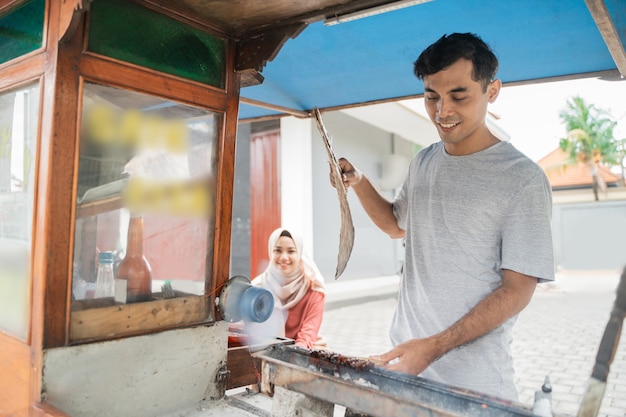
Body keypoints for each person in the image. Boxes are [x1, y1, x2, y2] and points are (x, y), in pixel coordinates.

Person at [332, 33, 554, 401]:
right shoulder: (424, 161)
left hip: (474, 387)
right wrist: (357, 181)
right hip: (405, 368)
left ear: (492, 90)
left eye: (458, 95)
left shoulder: (523, 178)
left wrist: (433, 346)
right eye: (431, 96)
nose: (442, 111)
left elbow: (517, 290)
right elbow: (394, 225)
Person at [250, 227, 326, 349]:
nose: (284, 257)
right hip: (265, 349)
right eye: (278, 250)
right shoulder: (257, 289)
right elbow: (250, 332)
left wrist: (294, 355)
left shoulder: (314, 290)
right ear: (271, 252)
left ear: (300, 254)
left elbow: (307, 336)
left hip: (301, 350)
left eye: (291, 251)